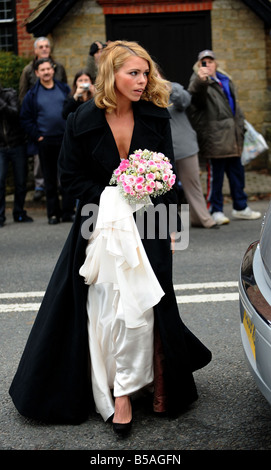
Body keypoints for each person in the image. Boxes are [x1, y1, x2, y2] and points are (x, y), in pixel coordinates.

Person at [9, 41, 212, 437]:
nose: (143, 80)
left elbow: (167, 178)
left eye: (145, 73)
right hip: (98, 224)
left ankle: (139, 387)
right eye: (133, 73)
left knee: (144, 308)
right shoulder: (82, 119)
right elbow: (70, 181)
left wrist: (172, 228)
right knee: (105, 306)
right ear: (111, 75)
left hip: (150, 224)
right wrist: (117, 192)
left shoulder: (155, 115)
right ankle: (114, 392)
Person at [188, 49, 261, 225]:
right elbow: (195, 95)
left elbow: (235, 107)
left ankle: (241, 207)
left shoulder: (225, 79)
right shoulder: (199, 82)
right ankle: (216, 210)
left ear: (216, 63)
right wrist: (201, 79)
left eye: (210, 61)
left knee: (238, 174)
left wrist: (241, 126)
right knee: (216, 177)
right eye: (203, 62)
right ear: (199, 65)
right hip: (216, 140)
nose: (208, 65)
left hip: (234, 137)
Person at [20, 58, 75, 224]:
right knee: (49, 179)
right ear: (37, 73)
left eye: (48, 69)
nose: (46, 72)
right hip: (45, 142)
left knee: (67, 177)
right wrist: (38, 136)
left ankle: (67, 212)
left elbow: (72, 110)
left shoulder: (64, 88)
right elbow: (25, 119)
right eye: (42, 70)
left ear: (53, 70)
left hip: (64, 140)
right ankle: (53, 214)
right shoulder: (32, 95)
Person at [19, 37, 67, 202]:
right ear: (35, 50)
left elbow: (66, 92)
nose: (45, 49)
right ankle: (40, 187)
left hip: (60, 131)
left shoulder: (59, 67)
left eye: (47, 46)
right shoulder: (28, 70)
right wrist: (35, 131)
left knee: (63, 163)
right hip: (40, 122)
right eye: (41, 47)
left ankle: (63, 190)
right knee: (42, 163)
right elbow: (23, 92)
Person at [168, 80, 218, 229]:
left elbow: (185, 101)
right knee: (163, 189)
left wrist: (169, 88)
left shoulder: (174, 88)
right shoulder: (144, 94)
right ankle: (167, 224)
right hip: (163, 150)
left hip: (185, 147)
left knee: (193, 184)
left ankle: (202, 218)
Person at [0, 84, 33, 227]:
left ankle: (19, 212)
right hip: (1, 147)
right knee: (0, 181)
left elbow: (14, 114)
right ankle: (0, 216)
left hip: (17, 145)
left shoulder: (10, 94)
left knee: (20, 181)